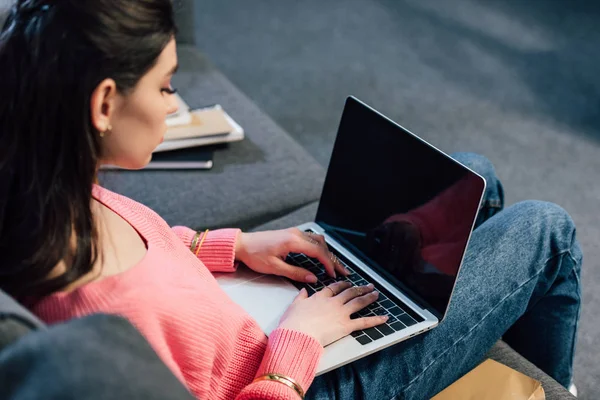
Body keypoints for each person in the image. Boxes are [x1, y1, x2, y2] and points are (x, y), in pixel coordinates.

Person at [0, 1, 582, 399]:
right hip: (302, 379)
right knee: (546, 230)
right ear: (104, 103)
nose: (174, 106)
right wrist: (298, 343)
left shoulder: (51, 198)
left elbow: (150, 255)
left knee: (472, 178)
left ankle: (467, 308)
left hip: (264, 326)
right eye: (165, 86)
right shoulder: (96, 327)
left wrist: (236, 246)